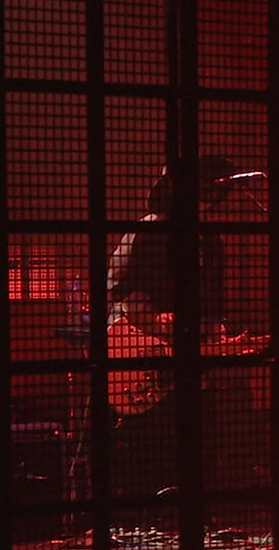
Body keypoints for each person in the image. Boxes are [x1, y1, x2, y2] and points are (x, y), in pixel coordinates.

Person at [106, 155, 248, 524]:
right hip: (146, 357)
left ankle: (192, 518)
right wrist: (156, 322)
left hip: (189, 362)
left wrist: (219, 340)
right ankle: (144, 522)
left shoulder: (210, 241)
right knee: (150, 445)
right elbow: (124, 292)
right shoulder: (150, 230)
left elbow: (212, 307)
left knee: (198, 437)